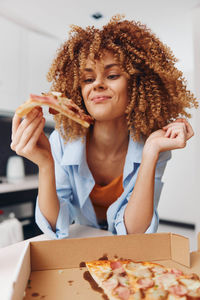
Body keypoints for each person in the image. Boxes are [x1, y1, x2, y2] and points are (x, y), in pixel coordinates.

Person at [11, 15, 197, 239]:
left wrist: (150, 154)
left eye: (112, 75)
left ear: (137, 84)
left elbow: (136, 233)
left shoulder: (154, 143)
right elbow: (54, 226)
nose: (97, 84)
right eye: (88, 79)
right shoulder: (62, 140)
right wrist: (45, 165)